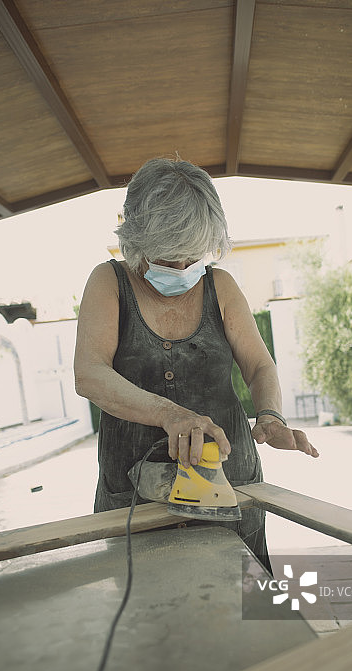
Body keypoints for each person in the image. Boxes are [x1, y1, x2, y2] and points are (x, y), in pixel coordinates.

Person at [74, 157, 318, 575]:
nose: (184, 269)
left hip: (231, 481)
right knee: (146, 618)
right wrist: (170, 414)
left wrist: (272, 416)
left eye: (193, 257)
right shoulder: (108, 282)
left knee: (243, 609)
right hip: (134, 492)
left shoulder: (220, 285)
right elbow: (90, 374)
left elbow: (259, 365)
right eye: (169, 260)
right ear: (136, 238)